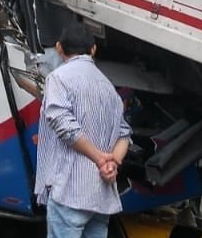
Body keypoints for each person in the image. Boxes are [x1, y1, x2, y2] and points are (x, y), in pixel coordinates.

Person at [35, 22, 132, 238]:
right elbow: (124, 133)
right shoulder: (109, 87)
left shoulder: (58, 79)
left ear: (59, 48)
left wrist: (99, 159)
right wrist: (112, 163)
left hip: (71, 191)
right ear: (93, 49)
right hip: (100, 194)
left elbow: (64, 125)